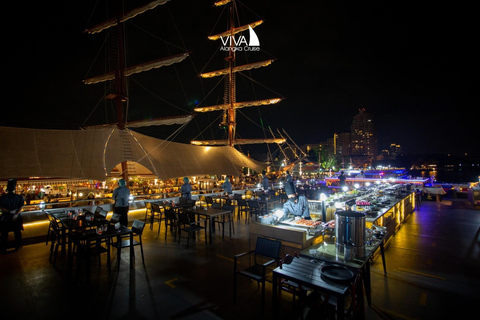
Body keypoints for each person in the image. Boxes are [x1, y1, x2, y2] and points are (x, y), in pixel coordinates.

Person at [0, 179, 25, 252]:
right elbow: (21, 207)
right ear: (14, 188)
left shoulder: (2, 198)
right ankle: (18, 246)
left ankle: (3, 248)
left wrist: (9, 211)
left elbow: (1, 208)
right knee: (17, 232)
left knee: (4, 233)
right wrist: (16, 213)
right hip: (16, 217)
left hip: (5, 217)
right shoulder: (19, 197)